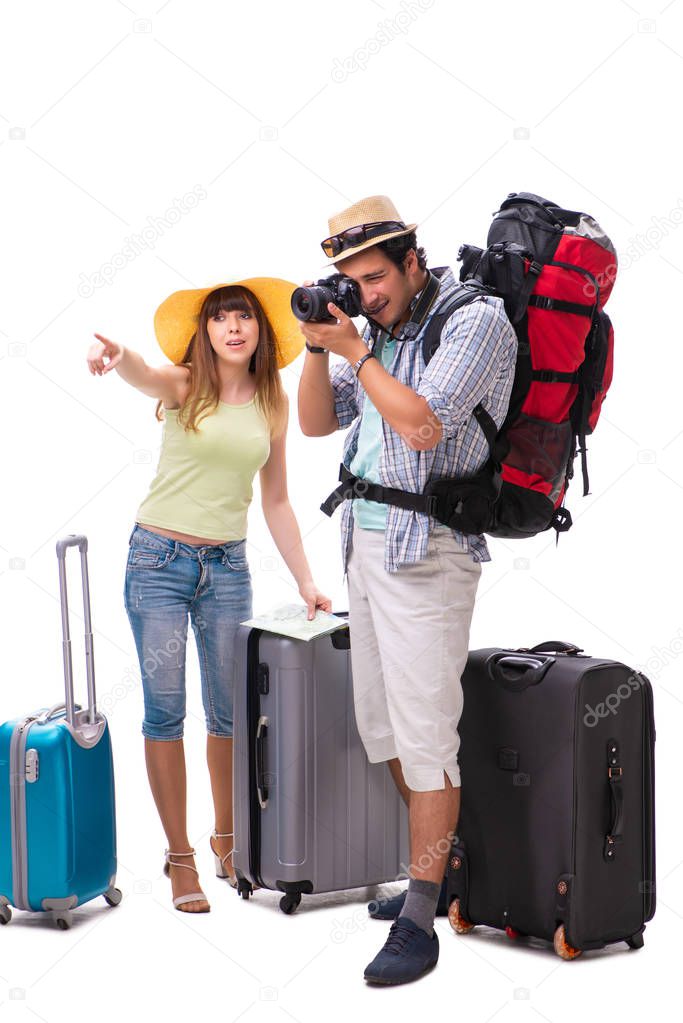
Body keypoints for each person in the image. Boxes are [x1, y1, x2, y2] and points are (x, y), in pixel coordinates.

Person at [297, 196, 517, 985]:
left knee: (427, 739)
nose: (366, 293)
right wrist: (321, 346)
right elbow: (318, 425)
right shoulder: (380, 332)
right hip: (366, 546)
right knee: (383, 728)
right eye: (350, 282)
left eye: (375, 277)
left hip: (429, 554)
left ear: (411, 259)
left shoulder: (473, 320)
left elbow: (425, 424)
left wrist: (356, 349)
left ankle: (420, 918)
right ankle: (440, 873)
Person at [86, 278, 331, 914]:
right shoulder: (184, 383)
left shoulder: (273, 404)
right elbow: (143, 373)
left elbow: (275, 500)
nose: (232, 327)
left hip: (227, 568)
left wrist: (306, 578)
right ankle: (179, 857)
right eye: (221, 318)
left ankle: (227, 841)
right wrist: (119, 360)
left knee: (229, 713)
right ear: (206, 331)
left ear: (259, 332)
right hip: (159, 563)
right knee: (166, 710)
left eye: (243, 317)